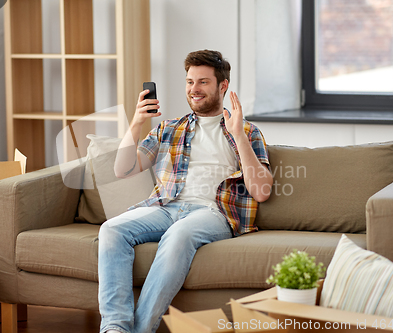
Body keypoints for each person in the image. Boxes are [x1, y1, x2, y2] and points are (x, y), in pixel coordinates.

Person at [98, 49, 273, 333]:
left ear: (222, 86)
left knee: (178, 234)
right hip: (166, 207)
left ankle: (141, 329)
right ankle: (115, 328)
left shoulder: (247, 131)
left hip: (212, 213)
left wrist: (238, 135)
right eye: (190, 82)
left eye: (203, 82)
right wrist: (137, 121)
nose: (194, 89)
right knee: (111, 229)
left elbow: (262, 191)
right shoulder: (169, 129)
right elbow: (123, 169)